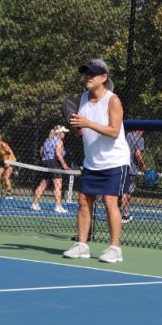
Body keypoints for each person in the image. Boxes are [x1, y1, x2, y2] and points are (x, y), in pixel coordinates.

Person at [63, 58, 131, 264]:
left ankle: (115, 249)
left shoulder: (113, 100)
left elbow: (113, 131)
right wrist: (75, 125)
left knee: (110, 202)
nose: (88, 77)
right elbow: (79, 132)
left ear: (104, 78)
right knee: (83, 201)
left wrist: (88, 123)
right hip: (92, 162)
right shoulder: (82, 98)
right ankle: (82, 245)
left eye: (93, 74)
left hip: (114, 162)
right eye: (86, 74)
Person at [31, 125, 71, 213]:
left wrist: (45, 159)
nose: (64, 134)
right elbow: (58, 153)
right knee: (58, 185)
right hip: (53, 163)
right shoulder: (59, 141)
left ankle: (34, 204)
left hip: (46, 162)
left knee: (43, 184)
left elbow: (41, 151)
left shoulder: (47, 140)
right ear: (59, 133)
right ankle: (58, 206)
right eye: (63, 132)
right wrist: (64, 165)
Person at [121, 129, 146, 223]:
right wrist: (144, 167)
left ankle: (125, 214)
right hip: (132, 169)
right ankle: (123, 214)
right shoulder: (140, 139)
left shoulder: (128, 135)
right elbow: (138, 153)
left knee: (123, 191)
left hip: (122, 166)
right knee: (127, 192)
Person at [0, 133, 16, 197]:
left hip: (11, 161)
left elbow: (10, 153)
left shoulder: (3, 144)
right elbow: (1, 157)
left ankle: (9, 193)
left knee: (6, 177)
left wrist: (9, 162)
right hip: (4, 161)